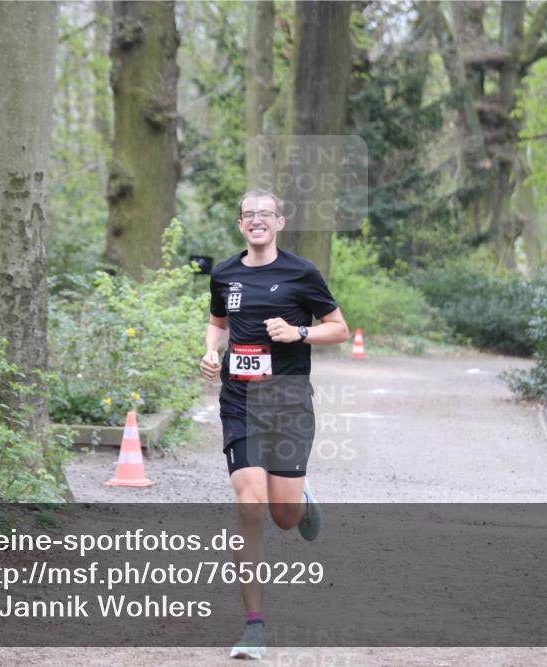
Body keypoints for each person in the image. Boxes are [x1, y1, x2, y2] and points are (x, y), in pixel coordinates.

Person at [200, 189, 349, 660]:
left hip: (287, 402)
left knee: (283, 517)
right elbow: (218, 322)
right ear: (240, 224)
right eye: (249, 214)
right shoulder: (225, 273)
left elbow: (339, 328)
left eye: (265, 214)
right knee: (249, 503)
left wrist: (298, 332)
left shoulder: (302, 273)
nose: (257, 220)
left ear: (279, 222)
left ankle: (301, 502)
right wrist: (211, 351)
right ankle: (254, 625)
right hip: (240, 401)